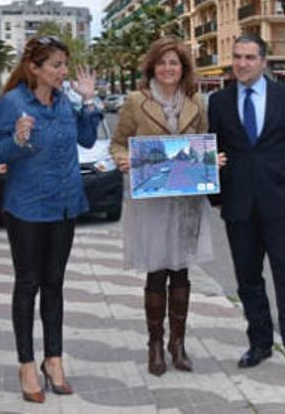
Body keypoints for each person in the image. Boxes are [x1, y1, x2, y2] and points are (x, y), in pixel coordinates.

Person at [0, 36, 101, 403]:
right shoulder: (13, 103)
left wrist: (88, 101)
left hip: (64, 204)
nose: (63, 71)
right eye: (56, 65)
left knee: (54, 283)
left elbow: (85, 140)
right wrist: (17, 140)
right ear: (34, 68)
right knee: (28, 282)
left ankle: (53, 360)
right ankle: (25, 364)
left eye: (64, 64)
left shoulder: (64, 102)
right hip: (27, 207)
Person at [207, 33, 285, 380]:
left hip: (281, 203)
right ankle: (259, 343)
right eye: (237, 57)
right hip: (238, 205)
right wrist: (214, 193)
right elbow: (212, 149)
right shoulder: (219, 101)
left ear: (263, 62)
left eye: (249, 57)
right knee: (248, 280)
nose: (241, 64)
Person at [110, 36, 224, 376]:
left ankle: (179, 343)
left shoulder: (196, 101)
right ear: (153, 68)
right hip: (152, 201)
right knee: (157, 270)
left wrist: (211, 160)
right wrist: (123, 160)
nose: (168, 68)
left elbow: (203, 142)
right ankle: (155, 344)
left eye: (174, 63)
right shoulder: (135, 101)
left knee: (182, 271)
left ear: (183, 68)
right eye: (162, 63)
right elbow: (118, 143)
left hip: (185, 200)